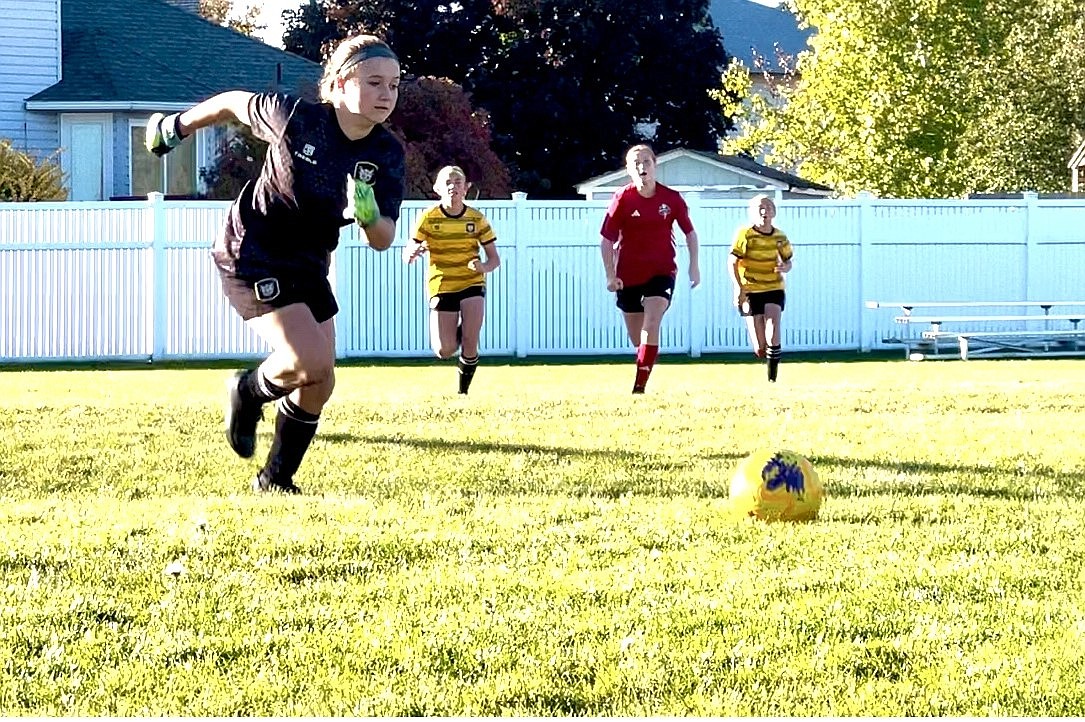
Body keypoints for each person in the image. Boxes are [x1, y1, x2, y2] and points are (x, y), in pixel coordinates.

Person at [144, 34, 405, 493]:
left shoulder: (385, 154)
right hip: (254, 248)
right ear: (341, 85)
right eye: (375, 83)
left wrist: (367, 218)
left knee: (320, 379)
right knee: (308, 358)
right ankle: (247, 392)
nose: (387, 95)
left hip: (309, 261)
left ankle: (275, 480)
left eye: (395, 85)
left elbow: (384, 238)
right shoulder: (295, 118)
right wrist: (176, 127)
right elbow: (229, 103)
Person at [599, 144, 700, 394]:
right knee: (638, 338)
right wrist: (611, 275)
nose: (642, 167)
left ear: (655, 165)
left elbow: (690, 233)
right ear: (628, 169)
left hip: (662, 271)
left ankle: (639, 388)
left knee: (651, 323)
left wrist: (694, 266)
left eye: (646, 162)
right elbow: (606, 240)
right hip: (628, 275)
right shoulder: (622, 199)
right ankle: (646, 360)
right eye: (636, 163)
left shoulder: (671, 199)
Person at [403, 165, 500, 394]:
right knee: (444, 350)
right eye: (447, 182)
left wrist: (483, 266)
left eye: (458, 182)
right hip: (442, 284)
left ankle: (462, 392)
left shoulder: (477, 219)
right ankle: (460, 329)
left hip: (472, 282)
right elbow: (409, 248)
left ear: (466, 188)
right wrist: (411, 254)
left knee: (470, 341)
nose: (452, 187)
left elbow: (494, 259)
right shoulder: (428, 217)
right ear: (437, 188)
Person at [729, 193, 793, 382]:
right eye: (760, 208)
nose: (764, 212)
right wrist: (738, 288)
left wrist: (785, 267)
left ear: (774, 212)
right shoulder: (745, 234)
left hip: (774, 286)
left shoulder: (780, 237)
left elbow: (789, 262)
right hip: (750, 288)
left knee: (773, 324)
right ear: (753, 213)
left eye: (768, 208)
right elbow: (732, 261)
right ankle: (763, 353)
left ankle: (772, 378)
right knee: (760, 347)